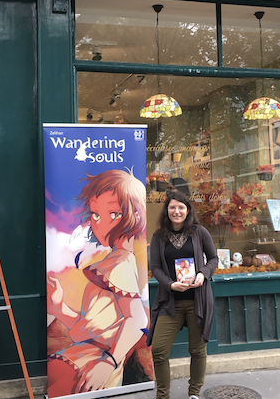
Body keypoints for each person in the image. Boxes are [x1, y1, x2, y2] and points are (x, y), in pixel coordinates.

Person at [47, 169, 148, 396]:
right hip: (91, 357)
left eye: (113, 214)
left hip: (97, 363)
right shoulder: (116, 261)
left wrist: (109, 361)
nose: (99, 224)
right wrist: (59, 306)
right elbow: (93, 328)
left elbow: (137, 319)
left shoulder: (120, 264)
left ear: (136, 214)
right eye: (95, 215)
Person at [147, 191, 218, 399]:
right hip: (170, 302)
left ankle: (194, 393)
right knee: (159, 350)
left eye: (181, 207)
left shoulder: (200, 232)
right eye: (172, 207)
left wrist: (203, 274)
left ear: (188, 210)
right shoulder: (158, 237)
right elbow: (156, 268)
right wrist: (170, 284)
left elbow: (213, 258)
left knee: (197, 350)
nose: (176, 211)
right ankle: (163, 396)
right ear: (167, 210)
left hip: (197, 300)